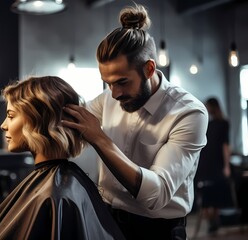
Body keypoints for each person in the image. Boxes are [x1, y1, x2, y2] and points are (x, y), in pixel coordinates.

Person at [61, 4, 209, 239]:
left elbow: (156, 194)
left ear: (149, 69)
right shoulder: (108, 98)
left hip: (158, 231)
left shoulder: (188, 113)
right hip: (108, 219)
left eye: (122, 82)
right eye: (107, 83)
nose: (115, 93)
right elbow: (70, 121)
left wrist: (99, 138)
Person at [0, 76, 125, 240]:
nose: (3, 125)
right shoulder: (63, 185)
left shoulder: (54, 196)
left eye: (11, 116)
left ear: (39, 120)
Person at [195, 97, 232, 233]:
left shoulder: (223, 123)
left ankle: (215, 220)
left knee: (216, 191)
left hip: (216, 162)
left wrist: (227, 166)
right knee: (204, 192)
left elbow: (225, 145)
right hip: (205, 162)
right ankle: (211, 220)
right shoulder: (207, 124)